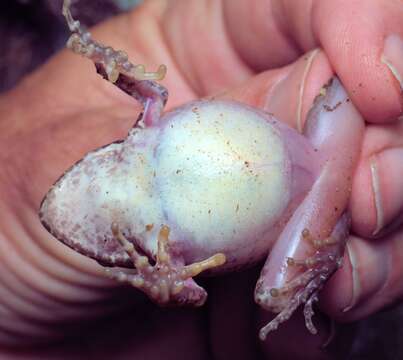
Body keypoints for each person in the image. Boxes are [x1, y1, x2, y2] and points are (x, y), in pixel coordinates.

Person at [0, 0, 402, 358]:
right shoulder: (168, 254)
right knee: (273, 297)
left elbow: (149, 89)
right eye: (108, 237)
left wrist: (105, 60)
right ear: (121, 251)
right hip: (309, 207)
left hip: (318, 145)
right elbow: (195, 294)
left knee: (361, 73)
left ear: (103, 157)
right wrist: (168, 288)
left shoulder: (147, 133)